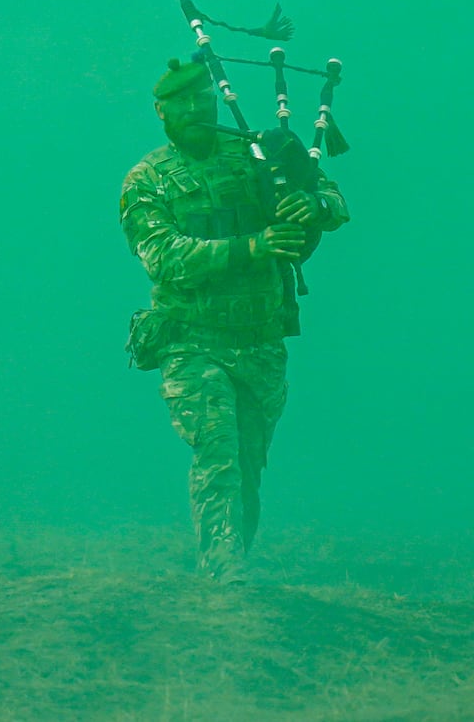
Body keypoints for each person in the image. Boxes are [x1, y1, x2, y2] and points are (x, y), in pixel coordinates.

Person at [119, 56, 349, 582]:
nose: (197, 110)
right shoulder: (147, 179)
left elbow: (332, 197)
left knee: (248, 465)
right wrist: (255, 245)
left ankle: (232, 565)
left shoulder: (256, 155)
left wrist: (312, 207)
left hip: (262, 341)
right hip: (190, 341)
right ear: (161, 111)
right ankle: (223, 577)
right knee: (218, 455)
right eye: (184, 104)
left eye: (204, 99)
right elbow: (166, 257)